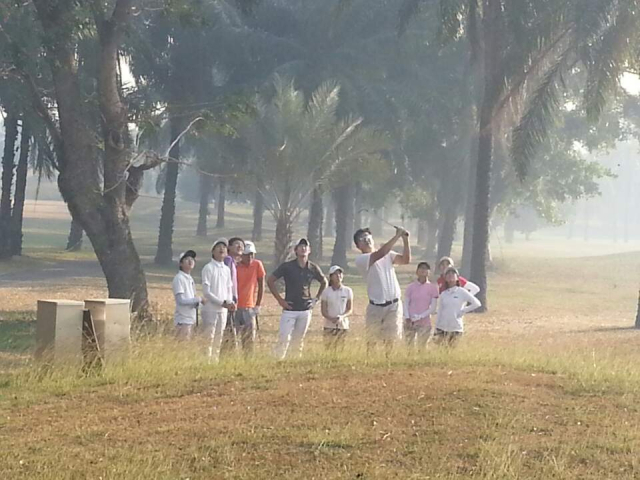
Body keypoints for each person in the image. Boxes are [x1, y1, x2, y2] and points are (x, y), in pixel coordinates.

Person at [354, 226, 410, 355]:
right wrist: (397, 236)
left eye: (368, 237)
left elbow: (405, 260)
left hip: (394, 304)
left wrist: (405, 240)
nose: (367, 240)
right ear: (358, 246)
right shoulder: (362, 259)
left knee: (391, 340)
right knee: (372, 340)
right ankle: (371, 364)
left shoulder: (388, 254)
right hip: (375, 305)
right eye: (362, 239)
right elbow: (380, 254)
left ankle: (388, 365)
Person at [267, 238, 327, 360]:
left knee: (298, 339)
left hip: (305, 309)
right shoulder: (287, 266)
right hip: (289, 309)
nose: (303, 248)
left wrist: (316, 299)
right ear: (296, 250)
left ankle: (294, 361)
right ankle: (278, 361)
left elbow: (324, 281)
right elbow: (270, 280)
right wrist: (280, 300)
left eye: (306, 246)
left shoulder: (312, 267)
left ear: (309, 250)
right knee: (284, 337)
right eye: (300, 246)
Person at [201, 238, 236, 362]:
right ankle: (206, 362)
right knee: (208, 338)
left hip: (223, 310)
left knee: (218, 338)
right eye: (218, 247)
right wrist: (222, 303)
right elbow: (207, 292)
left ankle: (214, 362)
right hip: (210, 309)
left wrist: (230, 302)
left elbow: (229, 289)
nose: (222, 249)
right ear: (213, 251)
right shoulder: (208, 268)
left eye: (224, 247)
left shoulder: (226, 269)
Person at [434, 267, 481, 346]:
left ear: (457, 278)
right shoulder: (443, 294)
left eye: (453, 273)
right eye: (448, 274)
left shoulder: (462, 291)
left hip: (456, 327)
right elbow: (440, 311)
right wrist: (436, 327)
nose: (450, 275)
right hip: (442, 327)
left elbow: (476, 303)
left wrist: (463, 311)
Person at [235, 241, 266, 356]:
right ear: (241, 255)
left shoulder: (257, 265)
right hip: (235, 307)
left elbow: (262, 285)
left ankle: (248, 362)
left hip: (249, 308)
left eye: (252, 254)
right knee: (232, 339)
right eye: (247, 254)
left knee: (248, 341)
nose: (250, 257)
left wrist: (258, 304)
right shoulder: (235, 266)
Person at [403, 261, 439, 349]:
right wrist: (407, 317)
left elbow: (433, 308)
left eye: (426, 268)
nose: (423, 270)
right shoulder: (411, 287)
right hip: (410, 321)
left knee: (422, 346)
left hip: (425, 322)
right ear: (417, 271)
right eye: (421, 268)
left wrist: (420, 316)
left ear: (429, 272)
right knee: (409, 346)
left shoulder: (432, 288)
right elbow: (406, 303)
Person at [172, 250, 205, 340]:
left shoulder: (190, 279)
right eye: (186, 259)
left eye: (192, 259)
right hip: (183, 319)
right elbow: (181, 300)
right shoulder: (179, 278)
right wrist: (199, 299)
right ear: (181, 264)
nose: (190, 261)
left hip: (190, 318)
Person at [221, 237, 245, 355]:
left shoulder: (234, 263)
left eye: (241, 245)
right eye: (236, 244)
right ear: (229, 247)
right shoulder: (228, 260)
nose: (239, 246)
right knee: (228, 330)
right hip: (228, 301)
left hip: (232, 300)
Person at [320, 265, 353, 351]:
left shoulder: (347, 291)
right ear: (331, 277)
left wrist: (341, 317)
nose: (338, 276)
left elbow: (349, 309)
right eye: (335, 274)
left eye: (340, 274)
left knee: (340, 348)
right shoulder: (326, 292)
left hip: (343, 325)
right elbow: (323, 311)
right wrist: (331, 318)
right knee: (328, 348)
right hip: (329, 325)